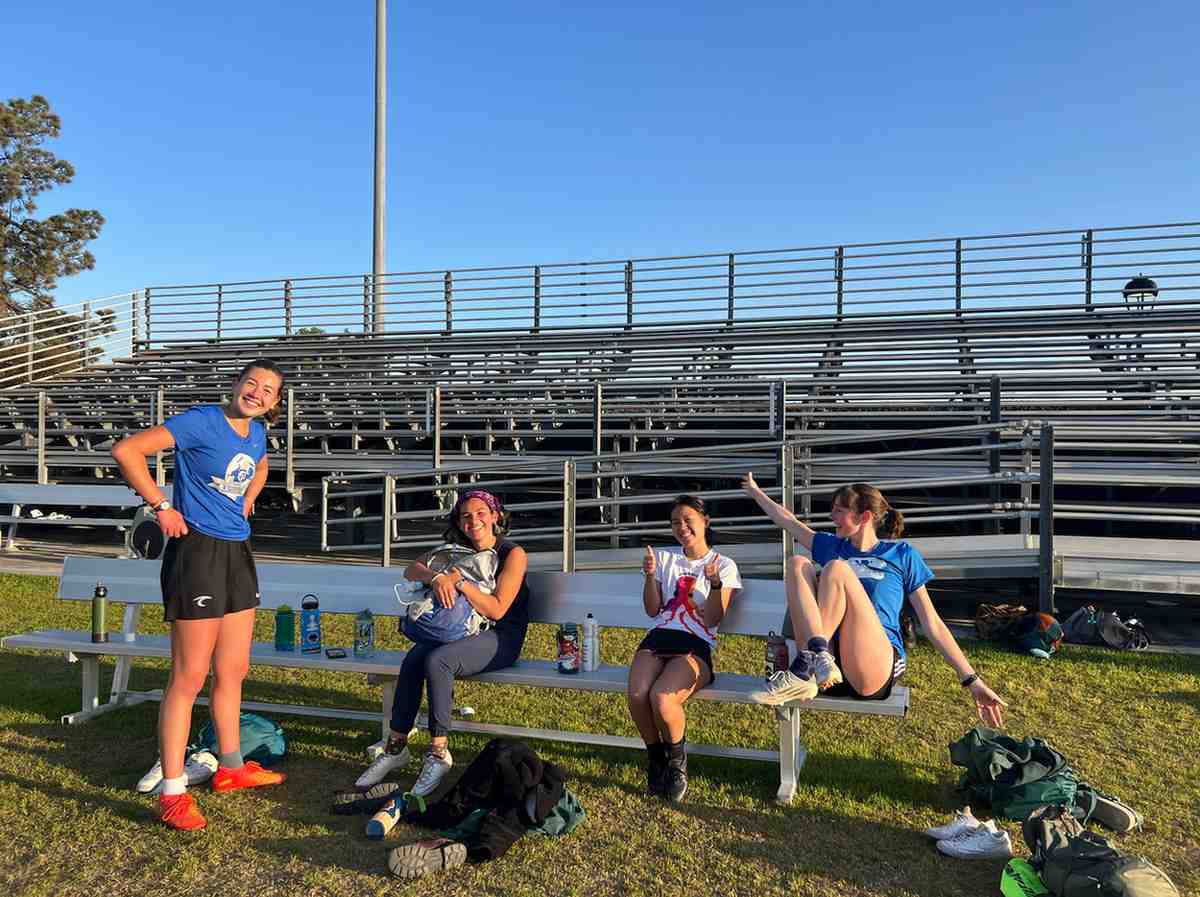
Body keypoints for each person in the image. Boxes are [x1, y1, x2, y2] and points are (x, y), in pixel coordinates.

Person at [111, 359, 288, 830]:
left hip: (236, 552)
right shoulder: (201, 421)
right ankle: (172, 792)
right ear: (236, 384)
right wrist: (161, 506)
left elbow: (262, 462)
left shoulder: (254, 432)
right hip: (197, 552)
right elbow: (127, 450)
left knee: (234, 669)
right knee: (189, 675)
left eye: (267, 390)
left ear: (274, 404)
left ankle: (230, 768)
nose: (256, 392)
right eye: (251, 383)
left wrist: (249, 497)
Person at [742, 474, 1007, 726]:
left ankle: (808, 661)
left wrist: (972, 680)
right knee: (798, 563)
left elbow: (933, 623)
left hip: (872, 667)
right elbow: (788, 521)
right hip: (829, 673)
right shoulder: (833, 545)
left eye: (839, 510)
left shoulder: (900, 554)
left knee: (836, 569)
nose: (831, 516)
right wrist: (756, 493)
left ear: (864, 516)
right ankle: (813, 664)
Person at [355, 490, 530, 797]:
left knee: (439, 661)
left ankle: (438, 753)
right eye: (465, 515)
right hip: (462, 632)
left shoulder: (512, 553)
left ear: (496, 516)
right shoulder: (455, 550)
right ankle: (396, 747)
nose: (473, 520)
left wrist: (459, 582)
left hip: (501, 636)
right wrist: (437, 578)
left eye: (480, 513)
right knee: (414, 658)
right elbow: (411, 569)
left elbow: (498, 608)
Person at [627, 495, 742, 802]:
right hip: (658, 637)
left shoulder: (723, 565)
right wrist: (650, 576)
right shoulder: (664, 558)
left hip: (695, 645)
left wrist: (715, 584)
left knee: (661, 698)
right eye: (675, 522)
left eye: (688, 520)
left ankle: (677, 762)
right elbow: (653, 611)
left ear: (705, 522)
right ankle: (656, 759)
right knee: (638, 695)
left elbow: (714, 617)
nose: (682, 527)